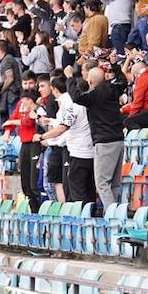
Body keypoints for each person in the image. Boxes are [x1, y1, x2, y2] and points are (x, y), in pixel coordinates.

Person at [75, 60, 126, 214]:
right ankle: (114, 213)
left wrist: (71, 78)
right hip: (119, 140)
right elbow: (123, 80)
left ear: (90, 81)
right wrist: (115, 65)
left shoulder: (93, 96)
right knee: (115, 183)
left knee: (102, 183)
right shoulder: (112, 89)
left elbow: (76, 96)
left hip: (104, 142)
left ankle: (113, 216)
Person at [37, 74, 94, 205]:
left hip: (77, 152)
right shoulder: (91, 104)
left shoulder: (73, 106)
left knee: (77, 190)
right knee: (89, 189)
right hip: (90, 151)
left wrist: (42, 136)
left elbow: (62, 128)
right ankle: (91, 216)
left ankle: (81, 219)